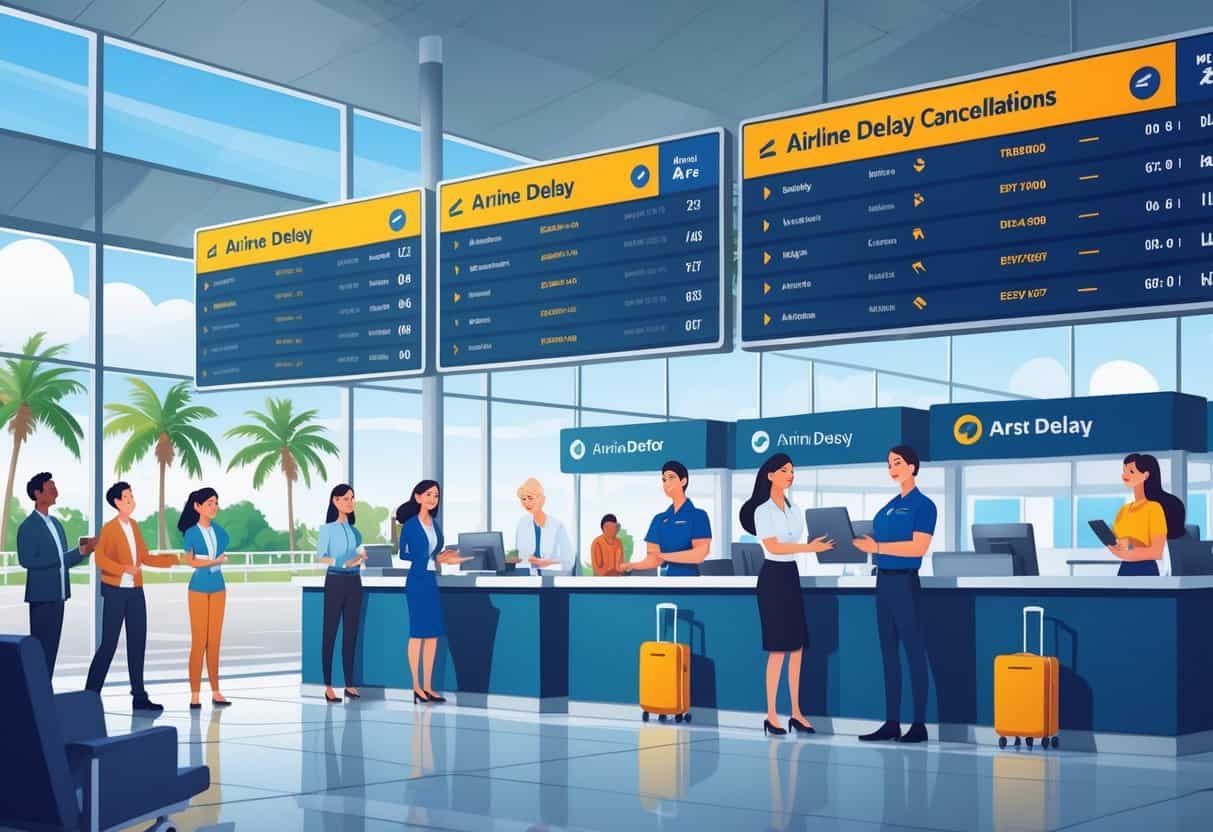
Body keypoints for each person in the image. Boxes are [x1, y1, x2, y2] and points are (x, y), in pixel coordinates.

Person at [739, 453, 834, 737]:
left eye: (792, 470)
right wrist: (810, 549)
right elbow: (775, 547)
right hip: (773, 579)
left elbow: (792, 546)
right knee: (778, 648)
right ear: (770, 475)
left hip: (792, 576)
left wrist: (809, 547)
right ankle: (771, 714)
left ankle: (796, 711)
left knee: (797, 647)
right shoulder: (762, 511)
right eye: (784, 470)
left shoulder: (796, 509)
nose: (790, 475)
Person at [852, 446, 936, 744]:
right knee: (888, 654)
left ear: (913, 466)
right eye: (889, 464)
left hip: (905, 583)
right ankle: (891, 722)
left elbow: (918, 548)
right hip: (883, 583)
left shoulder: (923, 505)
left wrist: (876, 548)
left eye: (898, 463)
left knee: (913, 653)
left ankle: (919, 724)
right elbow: (880, 542)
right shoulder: (886, 507)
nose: (892, 468)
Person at [86, 481, 179, 712]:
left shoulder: (134, 526)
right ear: (117, 502)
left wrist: (176, 559)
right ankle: (89, 696)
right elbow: (100, 559)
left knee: (138, 644)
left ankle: (139, 697)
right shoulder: (109, 529)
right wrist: (122, 569)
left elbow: (145, 557)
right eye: (126, 497)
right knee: (108, 644)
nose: (131, 500)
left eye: (131, 496)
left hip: (136, 592)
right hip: (116, 592)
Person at [17, 472, 95, 678]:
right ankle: (36, 697)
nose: (55, 492)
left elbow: (64, 562)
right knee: (40, 651)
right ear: (37, 493)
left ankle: (46, 693)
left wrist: (83, 551)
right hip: (41, 597)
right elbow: (26, 560)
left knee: (52, 650)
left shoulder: (57, 525)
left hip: (59, 596)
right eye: (50, 488)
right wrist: (58, 558)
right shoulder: (27, 526)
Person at [397, 480, 468, 704]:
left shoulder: (435, 525)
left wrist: (447, 558)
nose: (432, 499)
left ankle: (428, 686)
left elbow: (436, 553)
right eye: (428, 494)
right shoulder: (410, 525)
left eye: (436, 495)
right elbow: (403, 554)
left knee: (433, 634)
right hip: (416, 581)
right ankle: (416, 686)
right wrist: (430, 558)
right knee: (418, 633)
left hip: (430, 580)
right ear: (417, 497)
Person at [179, 487, 231, 709]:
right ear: (197, 506)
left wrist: (213, 562)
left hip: (218, 587)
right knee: (199, 641)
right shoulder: (191, 533)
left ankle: (216, 690)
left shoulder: (221, 533)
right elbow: (190, 561)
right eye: (209, 503)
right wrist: (213, 562)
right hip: (198, 588)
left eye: (216, 502)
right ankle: (195, 693)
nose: (214, 507)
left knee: (215, 641)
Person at [316, 484, 368, 703]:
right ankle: (328, 686)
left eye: (352, 498)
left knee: (351, 634)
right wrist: (342, 562)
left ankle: (349, 684)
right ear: (335, 501)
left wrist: (360, 558)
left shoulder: (356, 531)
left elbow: (361, 554)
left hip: (355, 582)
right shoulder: (327, 529)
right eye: (345, 498)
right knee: (330, 633)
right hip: (336, 581)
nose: (350, 502)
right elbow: (320, 557)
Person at [624, 460, 711, 576]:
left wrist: (663, 556)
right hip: (668, 582)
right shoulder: (659, 520)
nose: (667, 483)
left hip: (691, 583)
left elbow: (699, 555)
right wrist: (631, 566)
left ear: (683, 481)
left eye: (671, 478)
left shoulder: (698, 516)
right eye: (664, 480)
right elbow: (653, 560)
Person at [1107, 452, 1184, 576]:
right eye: (1124, 471)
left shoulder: (1154, 509)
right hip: (1124, 568)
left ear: (1145, 475)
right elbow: (1121, 546)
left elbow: (1156, 552)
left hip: (1146, 569)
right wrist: (1115, 545)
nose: (1125, 475)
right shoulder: (1124, 510)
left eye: (1131, 472)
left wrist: (1130, 546)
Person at [513, 478, 576, 574]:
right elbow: (519, 556)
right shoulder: (522, 523)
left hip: (551, 580)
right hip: (527, 580)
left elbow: (569, 562)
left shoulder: (557, 526)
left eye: (530, 498)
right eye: (523, 499)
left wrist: (549, 563)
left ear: (542, 499)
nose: (526, 503)